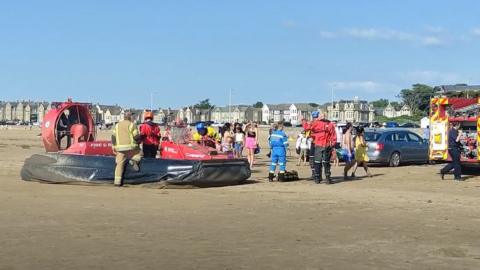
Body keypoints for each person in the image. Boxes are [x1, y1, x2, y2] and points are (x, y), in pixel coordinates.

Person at [112, 112, 142, 187]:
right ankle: (134, 160)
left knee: (119, 164)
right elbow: (136, 136)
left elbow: (113, 137)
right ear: (130, 117)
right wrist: (139, 142)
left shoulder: (117, 125)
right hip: (131, 148)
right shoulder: (132, 124)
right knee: (140, 154)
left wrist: (114, 146)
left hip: (120, 148)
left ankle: (117, 182)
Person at [309, 112, 336, 184]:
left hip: (320, 144)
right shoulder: (329, 124)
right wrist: (333, 145)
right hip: (324, 144)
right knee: (324, 162)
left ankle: (318, 178)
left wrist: (303, 120)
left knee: (319, 162)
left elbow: (309, 129)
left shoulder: (316, 123)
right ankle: (326, 178)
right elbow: (333, 135)